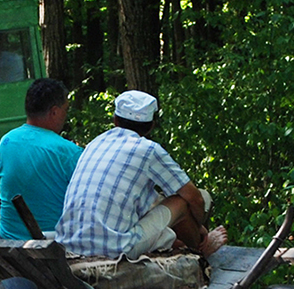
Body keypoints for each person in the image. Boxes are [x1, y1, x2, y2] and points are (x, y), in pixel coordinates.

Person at [54, 90, 227, 259]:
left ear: (115, 120)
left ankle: (184, 243)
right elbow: (194, 198)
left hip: (70, 244)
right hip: (115, 249)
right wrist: (199, 227)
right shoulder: (149, 150)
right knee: (182, 201)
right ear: (151, 125)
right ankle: (201, 250)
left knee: (158, 204)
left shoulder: (95, 143)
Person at [0, 78, 81, 240]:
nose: (66, 115)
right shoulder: (69, 153)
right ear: (54, 112)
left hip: (7, 239)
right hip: (48, 243)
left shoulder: (6, 141)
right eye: (65, 109)